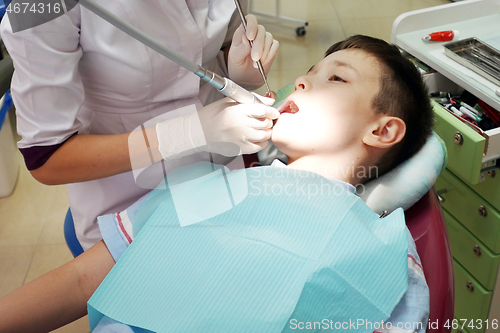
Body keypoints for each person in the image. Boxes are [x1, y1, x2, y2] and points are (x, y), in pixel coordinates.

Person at [0, 35, 433, 333]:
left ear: (382, 131)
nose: (301, 80)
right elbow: (79, 282)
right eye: (310, 71)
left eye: (335, 78)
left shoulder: (385, 257)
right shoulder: (200, 187)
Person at [0, 0, 280, 250]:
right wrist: (187, 134)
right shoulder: (35, 7)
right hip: (128, 201)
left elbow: (219, 39)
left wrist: (238, 69)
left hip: (222, 176)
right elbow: (46, 160)